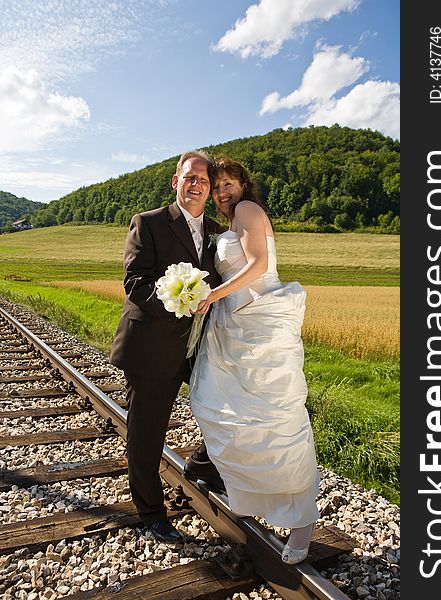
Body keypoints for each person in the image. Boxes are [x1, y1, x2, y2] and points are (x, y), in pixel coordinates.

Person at [188, 158, 320, 564]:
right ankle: (248, 492)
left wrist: (211, 295)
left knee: (277, 422)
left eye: (229, 183)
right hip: (234, 325)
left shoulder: (247, 211)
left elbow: (259, 265)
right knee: (226, 412)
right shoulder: (229, 222)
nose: (223, 192)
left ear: (243, 185)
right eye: (218, 185)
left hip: (259, 321)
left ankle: (302, 524)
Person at [110, 150, 225, 543]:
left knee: (226, 409)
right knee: (147, 434)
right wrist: (178, 301)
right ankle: (151, 513)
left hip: (197, 348)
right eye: (189, 177)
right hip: (151, 347)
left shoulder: (216, 232)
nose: (196, 185)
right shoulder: (149, 223)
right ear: (176, 182)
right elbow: (135, 283)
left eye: (203, 181)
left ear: (210, 191)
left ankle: (202, 465)